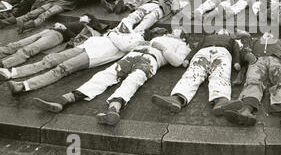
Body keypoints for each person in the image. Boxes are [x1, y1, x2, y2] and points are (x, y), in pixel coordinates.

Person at [32, 28, 192, 126]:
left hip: (151, 60)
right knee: (105, 75)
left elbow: (177, 62)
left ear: (183, 37)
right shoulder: (155, 38)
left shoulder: (183, 45)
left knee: (132, 81)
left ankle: (113, 109)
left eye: (177, 30)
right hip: (134, 54)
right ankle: (65, 99)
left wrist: (163, 48)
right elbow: (126, 45)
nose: (172, 30)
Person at [5, 29, 145, 95]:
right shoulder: (128, 33)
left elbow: (124, 46)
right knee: (49, 59)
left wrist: (113, 34)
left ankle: (24, 86)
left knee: (61, 69)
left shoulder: (138, 41)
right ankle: (13, 72)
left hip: (94, 55)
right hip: (85, 46)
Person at [222, 32, 281, 129]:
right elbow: (245, 50)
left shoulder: (280, 42)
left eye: (271, 33)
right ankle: (245, 110)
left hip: (278, 60)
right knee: (253, 81)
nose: (268, 33)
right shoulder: (255, 41)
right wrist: (248, 55)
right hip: (258, 60)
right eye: (266, 33)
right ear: (261, 36)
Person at [151, 30, 243, 116]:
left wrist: (236, 62)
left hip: (222, 53)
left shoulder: (231, 40)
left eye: (225, 30)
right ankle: (177, 98)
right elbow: (196, 49)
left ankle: (221, 100)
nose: (223, 30)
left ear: (229, 34)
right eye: (221, 29)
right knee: (193, 73)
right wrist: (187, 59)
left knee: (221, 73)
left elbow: (236, 51)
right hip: (203, 52)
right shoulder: (207, 38)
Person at [0, 14, 106, 73]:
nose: (81, 16)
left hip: (57, 36)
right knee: (18, 44)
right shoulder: (79, 23)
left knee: (30, 48)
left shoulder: (86, 28)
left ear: (90, 19)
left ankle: (5, 63)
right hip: (49, 31)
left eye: (84, 16)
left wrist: (64, 29)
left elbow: (76, 40)